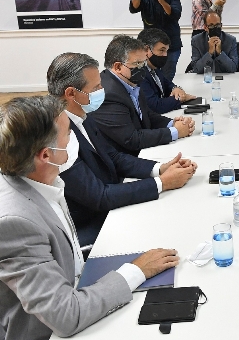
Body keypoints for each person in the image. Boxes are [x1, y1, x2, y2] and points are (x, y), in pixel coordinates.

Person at [0, 95, 179, 340]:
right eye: (68, 134)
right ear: (46, 155)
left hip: (79, 286)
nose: (73, 138)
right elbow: (65, 316)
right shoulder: (15, 222)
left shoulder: (41, 179)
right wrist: (137, 271)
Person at [47, 52, 197, 246]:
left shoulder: (81, 115)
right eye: (96, 87)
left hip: (112, 201)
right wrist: (162, 183)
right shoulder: (57, 135)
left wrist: (160, 168)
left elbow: (113, 156)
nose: (102, 90)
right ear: (71, 93)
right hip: (93, 224)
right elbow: (99, 197)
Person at [92, 35, 195, 157]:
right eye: (137, 63)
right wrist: (175, 132)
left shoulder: (130, 82)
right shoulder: (108, 94)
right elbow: (132, 139)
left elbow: (146, 115)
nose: (143, 68)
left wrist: (172, 123)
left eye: (144, 63)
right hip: (125, 159)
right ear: (118, 67)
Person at [130, 0, 182, 81]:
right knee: (149, 77)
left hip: (170, 47)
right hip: (150, 47)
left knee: (167, 77)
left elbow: (175, 15)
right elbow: (133, 8)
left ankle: (165, 92)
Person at [137, 28, 196, 114]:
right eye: (162, 50)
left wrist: (176, 89)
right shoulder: (139, 72)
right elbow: (155, 106)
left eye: (166, 51)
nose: (165, 55)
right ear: (146, 49)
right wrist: (181, 98)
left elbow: (167, 84)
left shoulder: (154, 68)